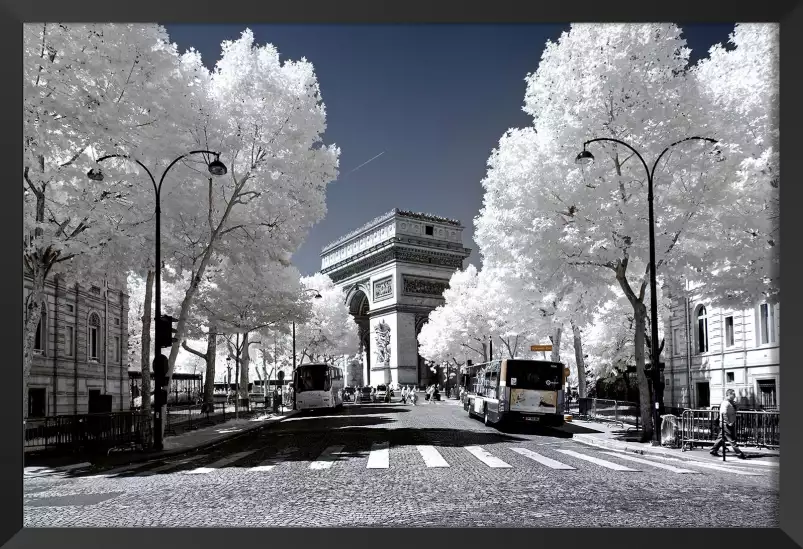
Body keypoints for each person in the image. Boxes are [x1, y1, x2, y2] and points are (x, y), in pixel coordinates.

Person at [710, 388, 746, 459]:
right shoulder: (725, 403)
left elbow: (736, 409)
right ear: (729, 395)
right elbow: (723, 413)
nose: (735, 395)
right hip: (725, 424)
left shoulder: (730, 402)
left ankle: (713, 450)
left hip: (727, 423)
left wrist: (735, 405)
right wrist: (728, 422)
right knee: (731, 439)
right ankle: (739, 454)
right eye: (733, 394)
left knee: (721, 438)